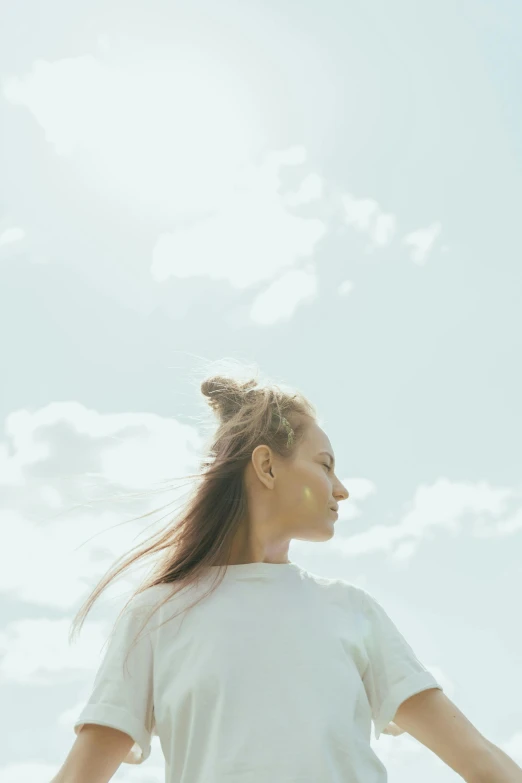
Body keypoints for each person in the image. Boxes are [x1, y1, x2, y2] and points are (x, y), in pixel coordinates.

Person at [53, 370, 442, 783]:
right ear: (267, 467)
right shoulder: (156, 616)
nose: (341, 489)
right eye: (325, 466)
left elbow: (481, 764)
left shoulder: (353, 612)